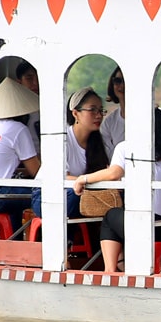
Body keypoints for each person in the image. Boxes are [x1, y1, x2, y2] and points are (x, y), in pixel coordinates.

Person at [71, 117, 161, 273]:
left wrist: (83, 179)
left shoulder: (126, 147)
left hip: (151, 227)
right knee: (124, 215)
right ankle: (132, 264)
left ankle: (111, 271)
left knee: (111, 217)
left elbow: (114, 173)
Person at [0, 79, 41, 221]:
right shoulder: (18, 129)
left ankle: (10, 236)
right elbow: (37, 172)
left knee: (14, 193)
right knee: (42, 195)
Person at [63, 86, 110, 221]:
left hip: (85, 193)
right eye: (92, 110)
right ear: (75, 113)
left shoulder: (101, 142)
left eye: (101, 110)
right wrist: (90, 181)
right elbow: (61, 177)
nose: (99, 115)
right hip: (51, 195)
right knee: (75, 193)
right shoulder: (63, 139)